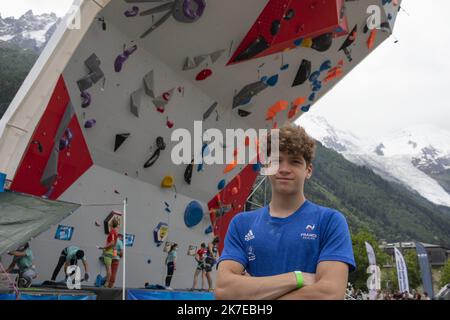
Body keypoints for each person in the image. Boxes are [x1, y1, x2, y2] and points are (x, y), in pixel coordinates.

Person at [215, 123, 356, 300]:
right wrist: (297, 278)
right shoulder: (241, 223)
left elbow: (330, 294)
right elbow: (224, 291)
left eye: (295, 161)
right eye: (276, 161)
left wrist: (252, 294)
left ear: (308, 170)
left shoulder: (330, 221)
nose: (284, 169)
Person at [98, 218, 120, 288]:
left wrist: (103, 247)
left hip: (108, 252)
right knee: (108, 270)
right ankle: (106, 284)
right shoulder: (115, 232)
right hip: (110, 252)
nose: (109, 223)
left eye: (110, 222)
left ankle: (106, 284)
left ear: (112, 224)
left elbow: (113, 242)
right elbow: (114, 244)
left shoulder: (112, 232)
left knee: (108, 270)